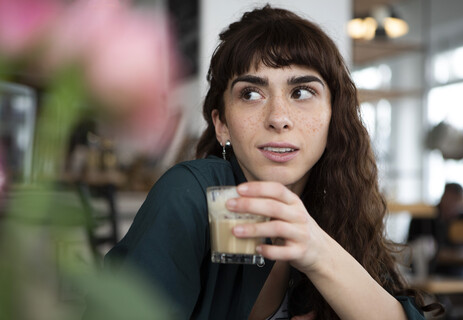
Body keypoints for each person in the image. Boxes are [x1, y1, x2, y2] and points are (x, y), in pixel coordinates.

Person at [103, 5, 442, 319]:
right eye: (251, 94)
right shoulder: (189, 196)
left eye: (301, 92)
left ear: (332, 117)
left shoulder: (339, 206)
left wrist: (319, 251)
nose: (278, 118)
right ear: (222, 125)